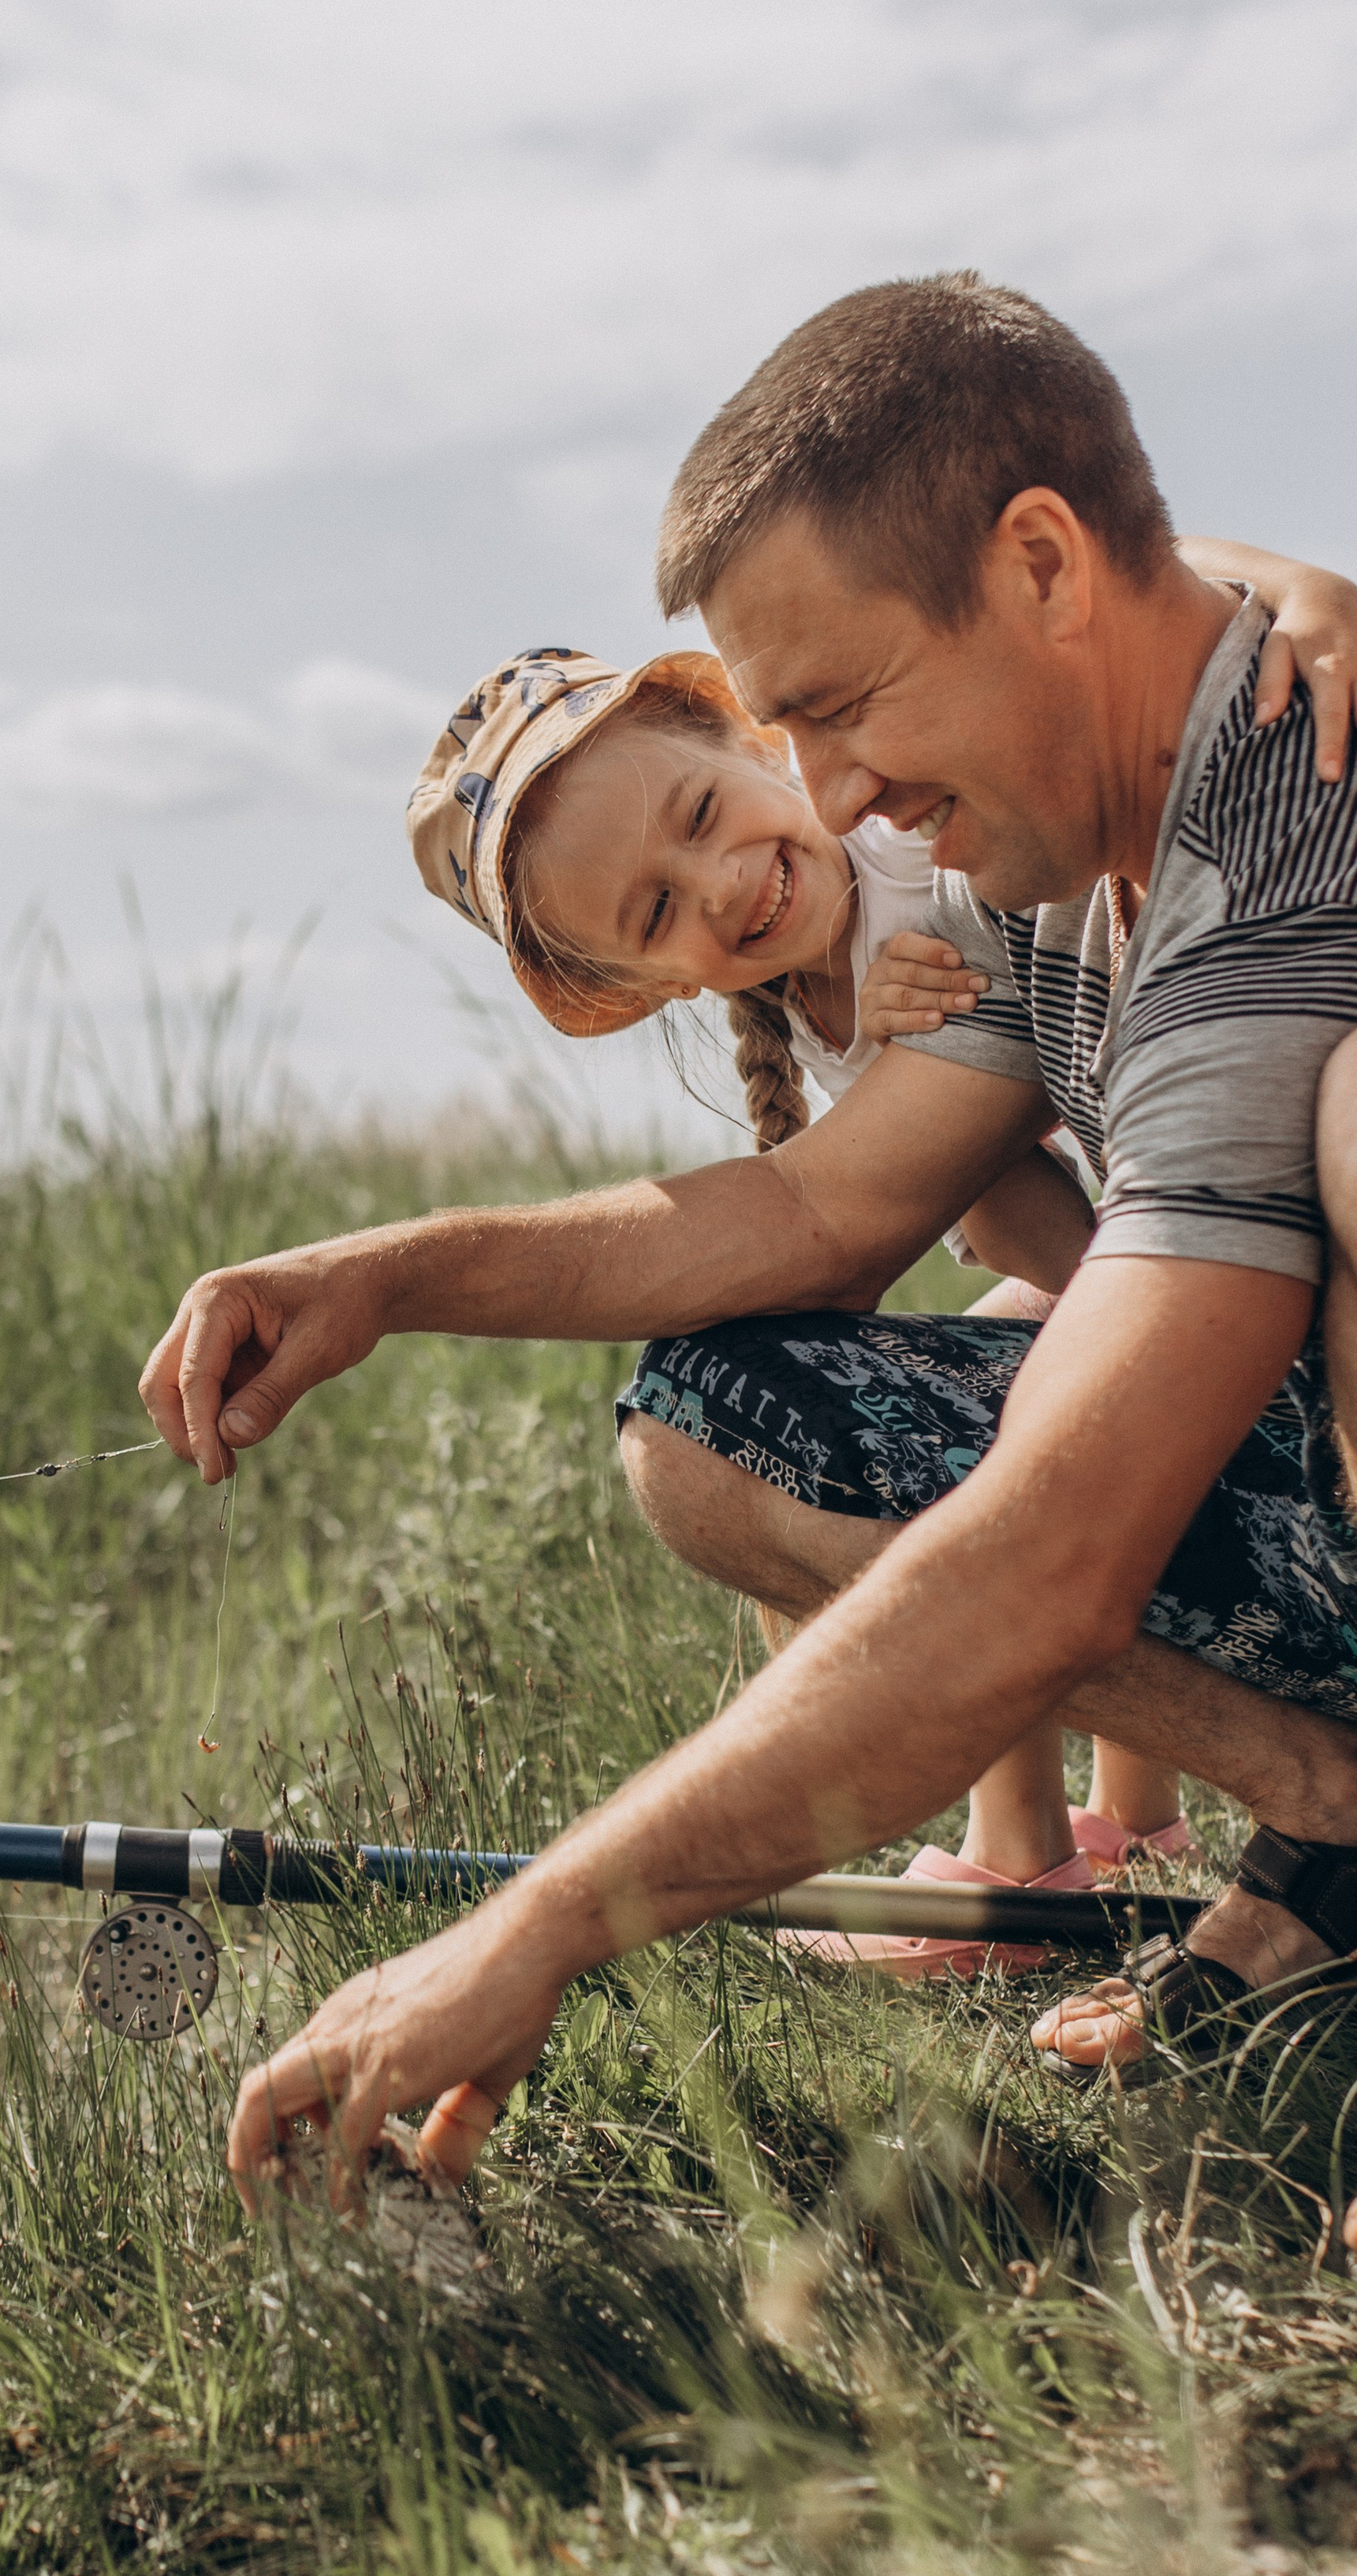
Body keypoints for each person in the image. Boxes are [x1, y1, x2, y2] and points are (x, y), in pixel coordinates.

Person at [139, 273, 1357, 2192]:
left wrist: (536, 1928)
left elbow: (1045, 1560)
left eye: (843, 706)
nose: (833, 798)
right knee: (713, 1419)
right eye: (789, 732)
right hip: (1303, 1463)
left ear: (1042, 569)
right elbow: (813, 1208)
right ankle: (1331, 1833)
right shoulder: (1027, 853)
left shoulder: (1288, 808)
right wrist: (385, 1278)